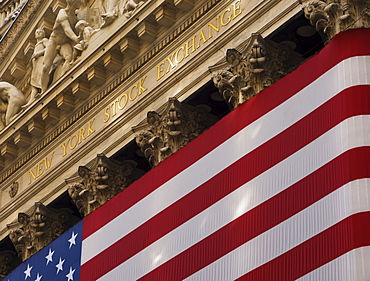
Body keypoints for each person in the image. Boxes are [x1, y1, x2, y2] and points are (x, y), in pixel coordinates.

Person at [41, 0, 81, 93]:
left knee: (69, 57)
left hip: (64, 43)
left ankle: (63, 79)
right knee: (46, 67)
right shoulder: (62, 13)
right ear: (73, 3)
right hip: (54, 42)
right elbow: (67, 30)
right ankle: (43, 91)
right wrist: (76, 39)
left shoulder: (75, 15)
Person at [23, 29, 48, 108]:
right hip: (35, 65)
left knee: (41, 76)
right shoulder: (37, 44)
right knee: (33, 82)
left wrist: (38, 53)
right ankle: (31, 100)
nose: (38, 33)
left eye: (40, 32)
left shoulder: (44, 40)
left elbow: (49, 47)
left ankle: (43, 90)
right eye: (36, 32)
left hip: (41, 62)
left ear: (43, 34)